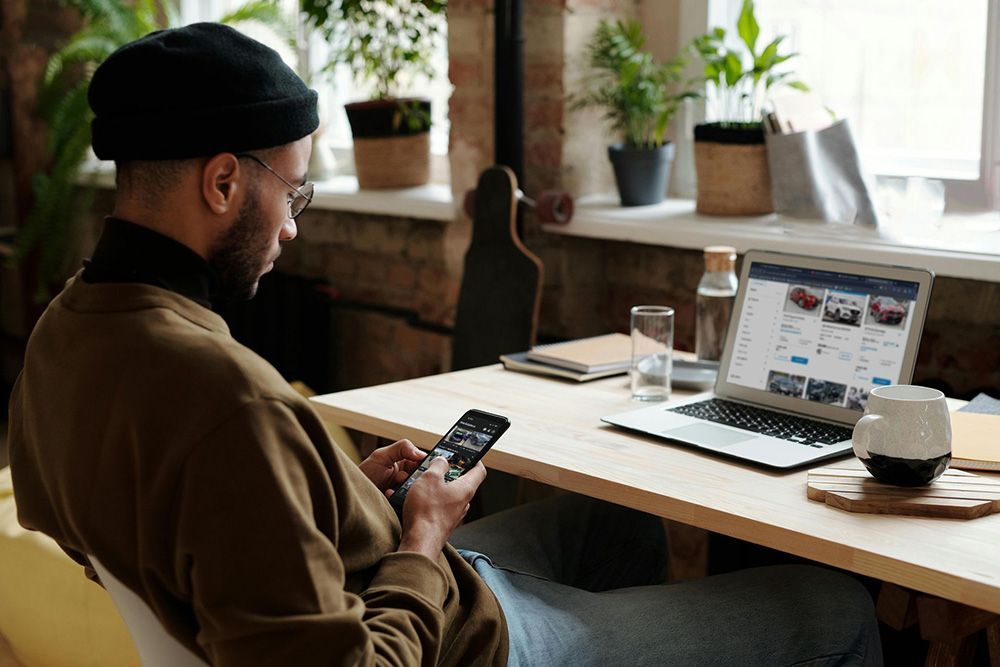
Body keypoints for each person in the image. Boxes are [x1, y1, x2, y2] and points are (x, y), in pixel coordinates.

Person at [7, 23, 882, 666]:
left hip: (375, 584)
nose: (292, 231)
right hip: (452, 639)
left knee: (616, 520)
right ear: (225, 181)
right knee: (833, 604)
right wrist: (421, 534)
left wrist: (333, 495)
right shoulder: (229, 402)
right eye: (295, 193)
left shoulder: (62, 335)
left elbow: (176, 525)